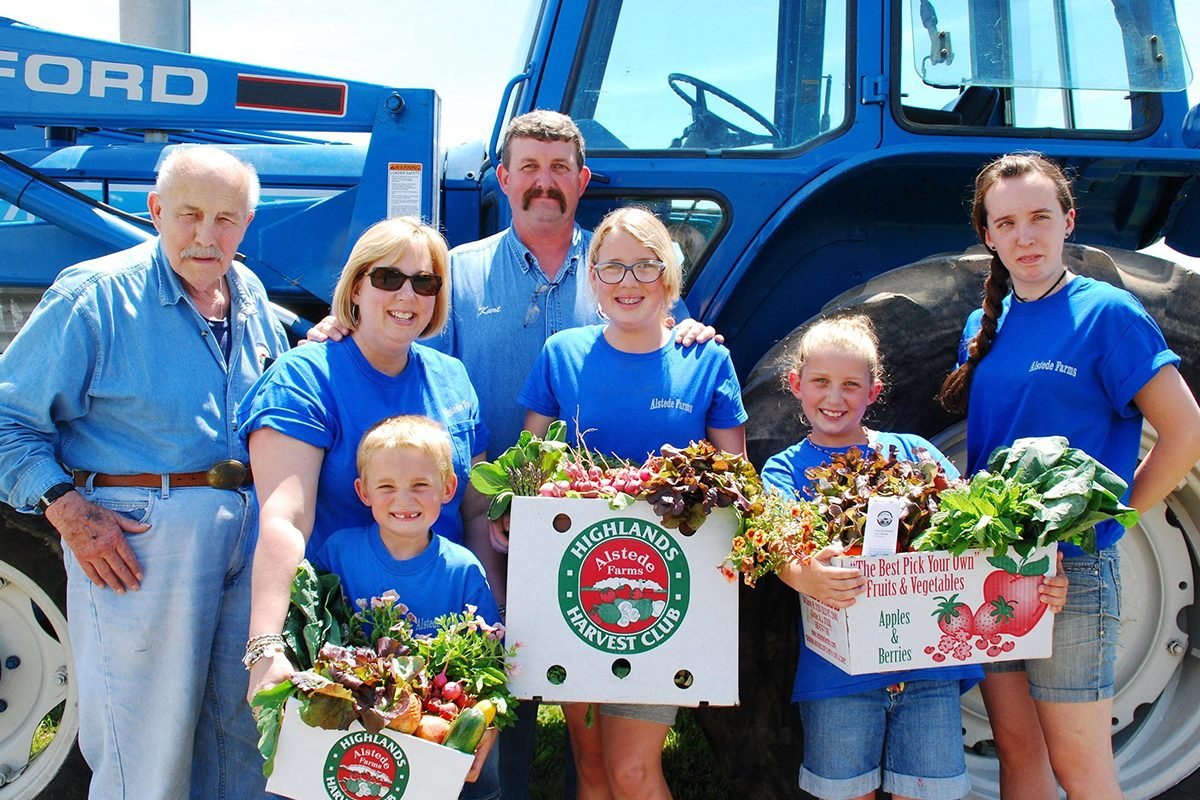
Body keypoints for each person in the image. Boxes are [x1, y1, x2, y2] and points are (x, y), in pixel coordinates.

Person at [0, 145, 287, 798]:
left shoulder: (252, 296)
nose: (205, 236)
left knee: (243, 741)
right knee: (145, 758)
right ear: (155, 210)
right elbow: (6, 421)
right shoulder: (96, 295)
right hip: (139, 544)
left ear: (247, 225)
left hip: (245, 536)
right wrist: (68, 511)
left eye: (225, 219)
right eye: (188, 214)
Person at [938, 152, 1200, 799]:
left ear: (1068, 221)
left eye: (1039, 218)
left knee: (1081, 772)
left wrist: (1114, 518)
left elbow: (1186, 431)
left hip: (1071, 574)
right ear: (988, 235)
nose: (1024, 237)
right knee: (1020, 756)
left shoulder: (1107, 316)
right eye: (1007, 223)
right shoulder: (984, 325)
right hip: (995, 565)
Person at [762, 315, 1063, 800]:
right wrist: (805, 575)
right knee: (845, 792)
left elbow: (978, 534)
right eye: (820, 382)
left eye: (850, 385)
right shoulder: (784, 468)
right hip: (840, 675)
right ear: (796, 384)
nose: (834, 399)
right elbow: (775, 544)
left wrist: (1039, 577)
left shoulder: (914, 452)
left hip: (928, 671)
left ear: (873, 392)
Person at [517, 206, 747, 800]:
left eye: (645, 266)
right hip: (581, 585)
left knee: (632, 771)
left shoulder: (706, 360)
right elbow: (527, 464)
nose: (628, 282)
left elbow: (737, 483)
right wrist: (507, 516)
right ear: (592, 279)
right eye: (612, 267)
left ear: (669, 279)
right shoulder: (562, 354)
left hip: (665, 595)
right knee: (591, 765)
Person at [238, 217, 489, 706]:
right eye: (388, 278)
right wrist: (267, 645)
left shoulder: (453, 378)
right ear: (355, 287)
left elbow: (475, 512)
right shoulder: (306, 377)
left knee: (466, 780)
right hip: (338, 644)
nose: (407, 295)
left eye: (425, 282)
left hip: (447, 649)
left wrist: (496, 624)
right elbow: (285, 518)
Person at [314, 414, 501, 793]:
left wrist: (486, 726)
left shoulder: (462, 568)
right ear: (362, 492)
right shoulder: (338, 554)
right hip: (358, 731)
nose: (404, 500)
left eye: (421, 485)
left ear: (448, 488)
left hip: (442, 729)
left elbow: (490, 662)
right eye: (386, 486)